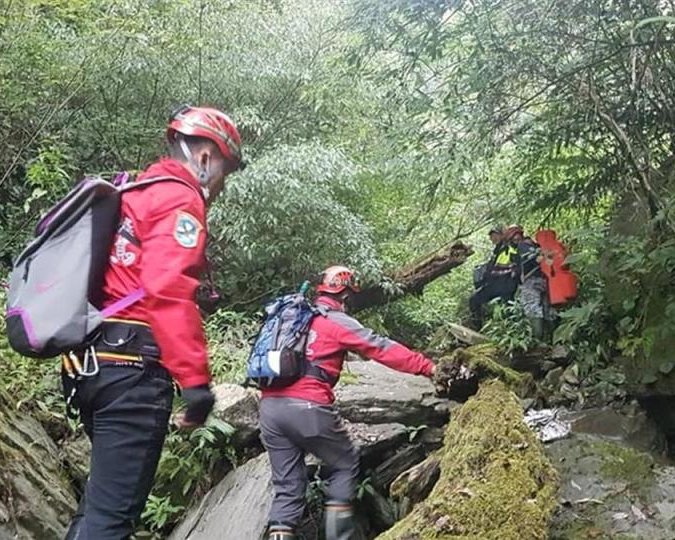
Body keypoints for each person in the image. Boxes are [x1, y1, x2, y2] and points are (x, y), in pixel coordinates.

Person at [62, 105, 245, 540]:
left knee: (97, 510)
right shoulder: (180, 198)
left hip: (91, 364)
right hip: (133, 373)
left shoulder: (132, 192)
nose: (221, 184)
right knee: (110, 522)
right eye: (225, 170)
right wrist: (196, 385)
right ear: (204, 157)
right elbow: (167, 291)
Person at [259, 266, 435, 540]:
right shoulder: (335, 320)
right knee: (343, 464)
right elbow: (380, 347)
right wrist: (427, 367)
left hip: (270, 409)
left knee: (287, 487)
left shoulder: (292, 319)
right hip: (308, 407)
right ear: (346, 296)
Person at [467, 225, 519, 330]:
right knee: (474, 300)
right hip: (495, 284)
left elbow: (515, 266)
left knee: (507, 309)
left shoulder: (509, 248)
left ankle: (512, 331)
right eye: (491, 236)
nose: (493, 238)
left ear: (502, 235)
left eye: (495, 235)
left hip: (506, 284)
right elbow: (493, 268)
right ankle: (477, 328)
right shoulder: (497, 251)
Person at [509, 226, 549, 340]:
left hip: (531, 281)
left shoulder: (523, 246)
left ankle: (538, 341)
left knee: (532, 309)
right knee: (547, 310)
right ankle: (554, 342)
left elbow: (531, 260)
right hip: (544, 280)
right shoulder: (535, 246)